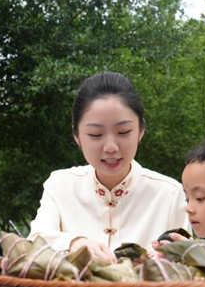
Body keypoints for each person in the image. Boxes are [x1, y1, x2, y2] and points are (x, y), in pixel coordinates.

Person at [28, 72, 189, 262]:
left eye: (124, 132)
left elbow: (184, 263)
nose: (111, 147)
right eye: (95, 134)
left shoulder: (169, 194)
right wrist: (74, 244)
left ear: (141, 131)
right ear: (77, 136)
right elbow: (36, 240)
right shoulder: (60, 185)